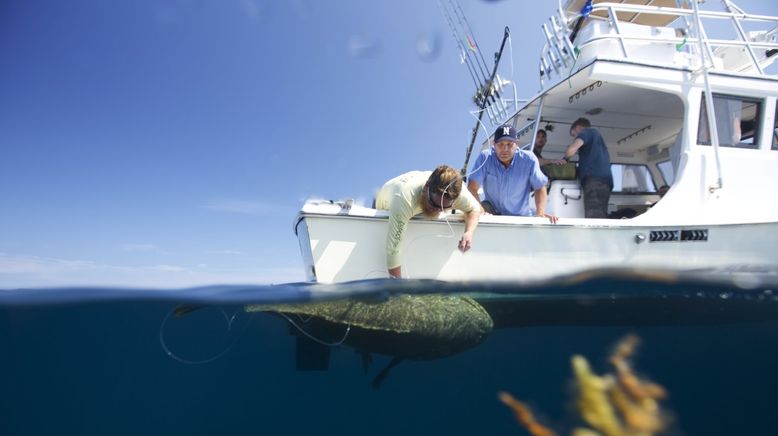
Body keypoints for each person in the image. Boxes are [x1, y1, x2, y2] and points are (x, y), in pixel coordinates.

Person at [375, 165, 482, 279]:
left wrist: (469, 232)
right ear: (426, 187)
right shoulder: (404, 198)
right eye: (433, 204)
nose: (437, 210)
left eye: (443, 207)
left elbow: (475, 209)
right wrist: (397, 288)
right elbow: (393, 250)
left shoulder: (458, 194)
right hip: (386, 202)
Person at [467, 124, 557, 222]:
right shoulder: (485, 157)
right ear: (494, 144)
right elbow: (472, 188)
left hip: (519, 217)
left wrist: (540, 213)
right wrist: (480, 211)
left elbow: (540, 187)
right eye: (501, 144)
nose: (505, 149)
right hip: (491, 211)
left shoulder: (529, 159)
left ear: (517, 143)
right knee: (475, 210)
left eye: (509, 144)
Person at [557, 117, 613, 218]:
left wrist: (565, 159)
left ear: (578, 128)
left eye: (574, 134)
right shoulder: (597, 141)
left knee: (594, 218)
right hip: (605, 182)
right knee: (601, 214)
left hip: (594, 181)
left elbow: (573, 147)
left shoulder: (587, 132)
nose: (574, 137)